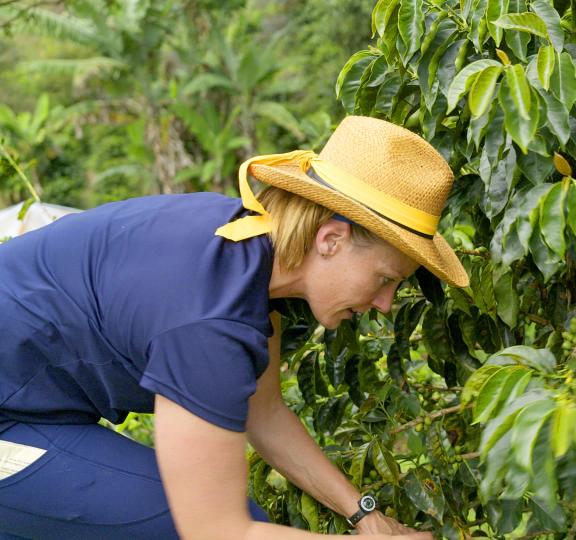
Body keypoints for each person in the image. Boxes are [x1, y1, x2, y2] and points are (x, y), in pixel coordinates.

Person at [0, 116, 469, 539]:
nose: (386, 304)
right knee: (177, 524)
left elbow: (261, 414)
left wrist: (364, 515)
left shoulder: (248, 250)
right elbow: (216, 531)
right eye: (385, 280)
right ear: (331, 239)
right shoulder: (213, 313)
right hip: (12, 417)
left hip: (35, 405)